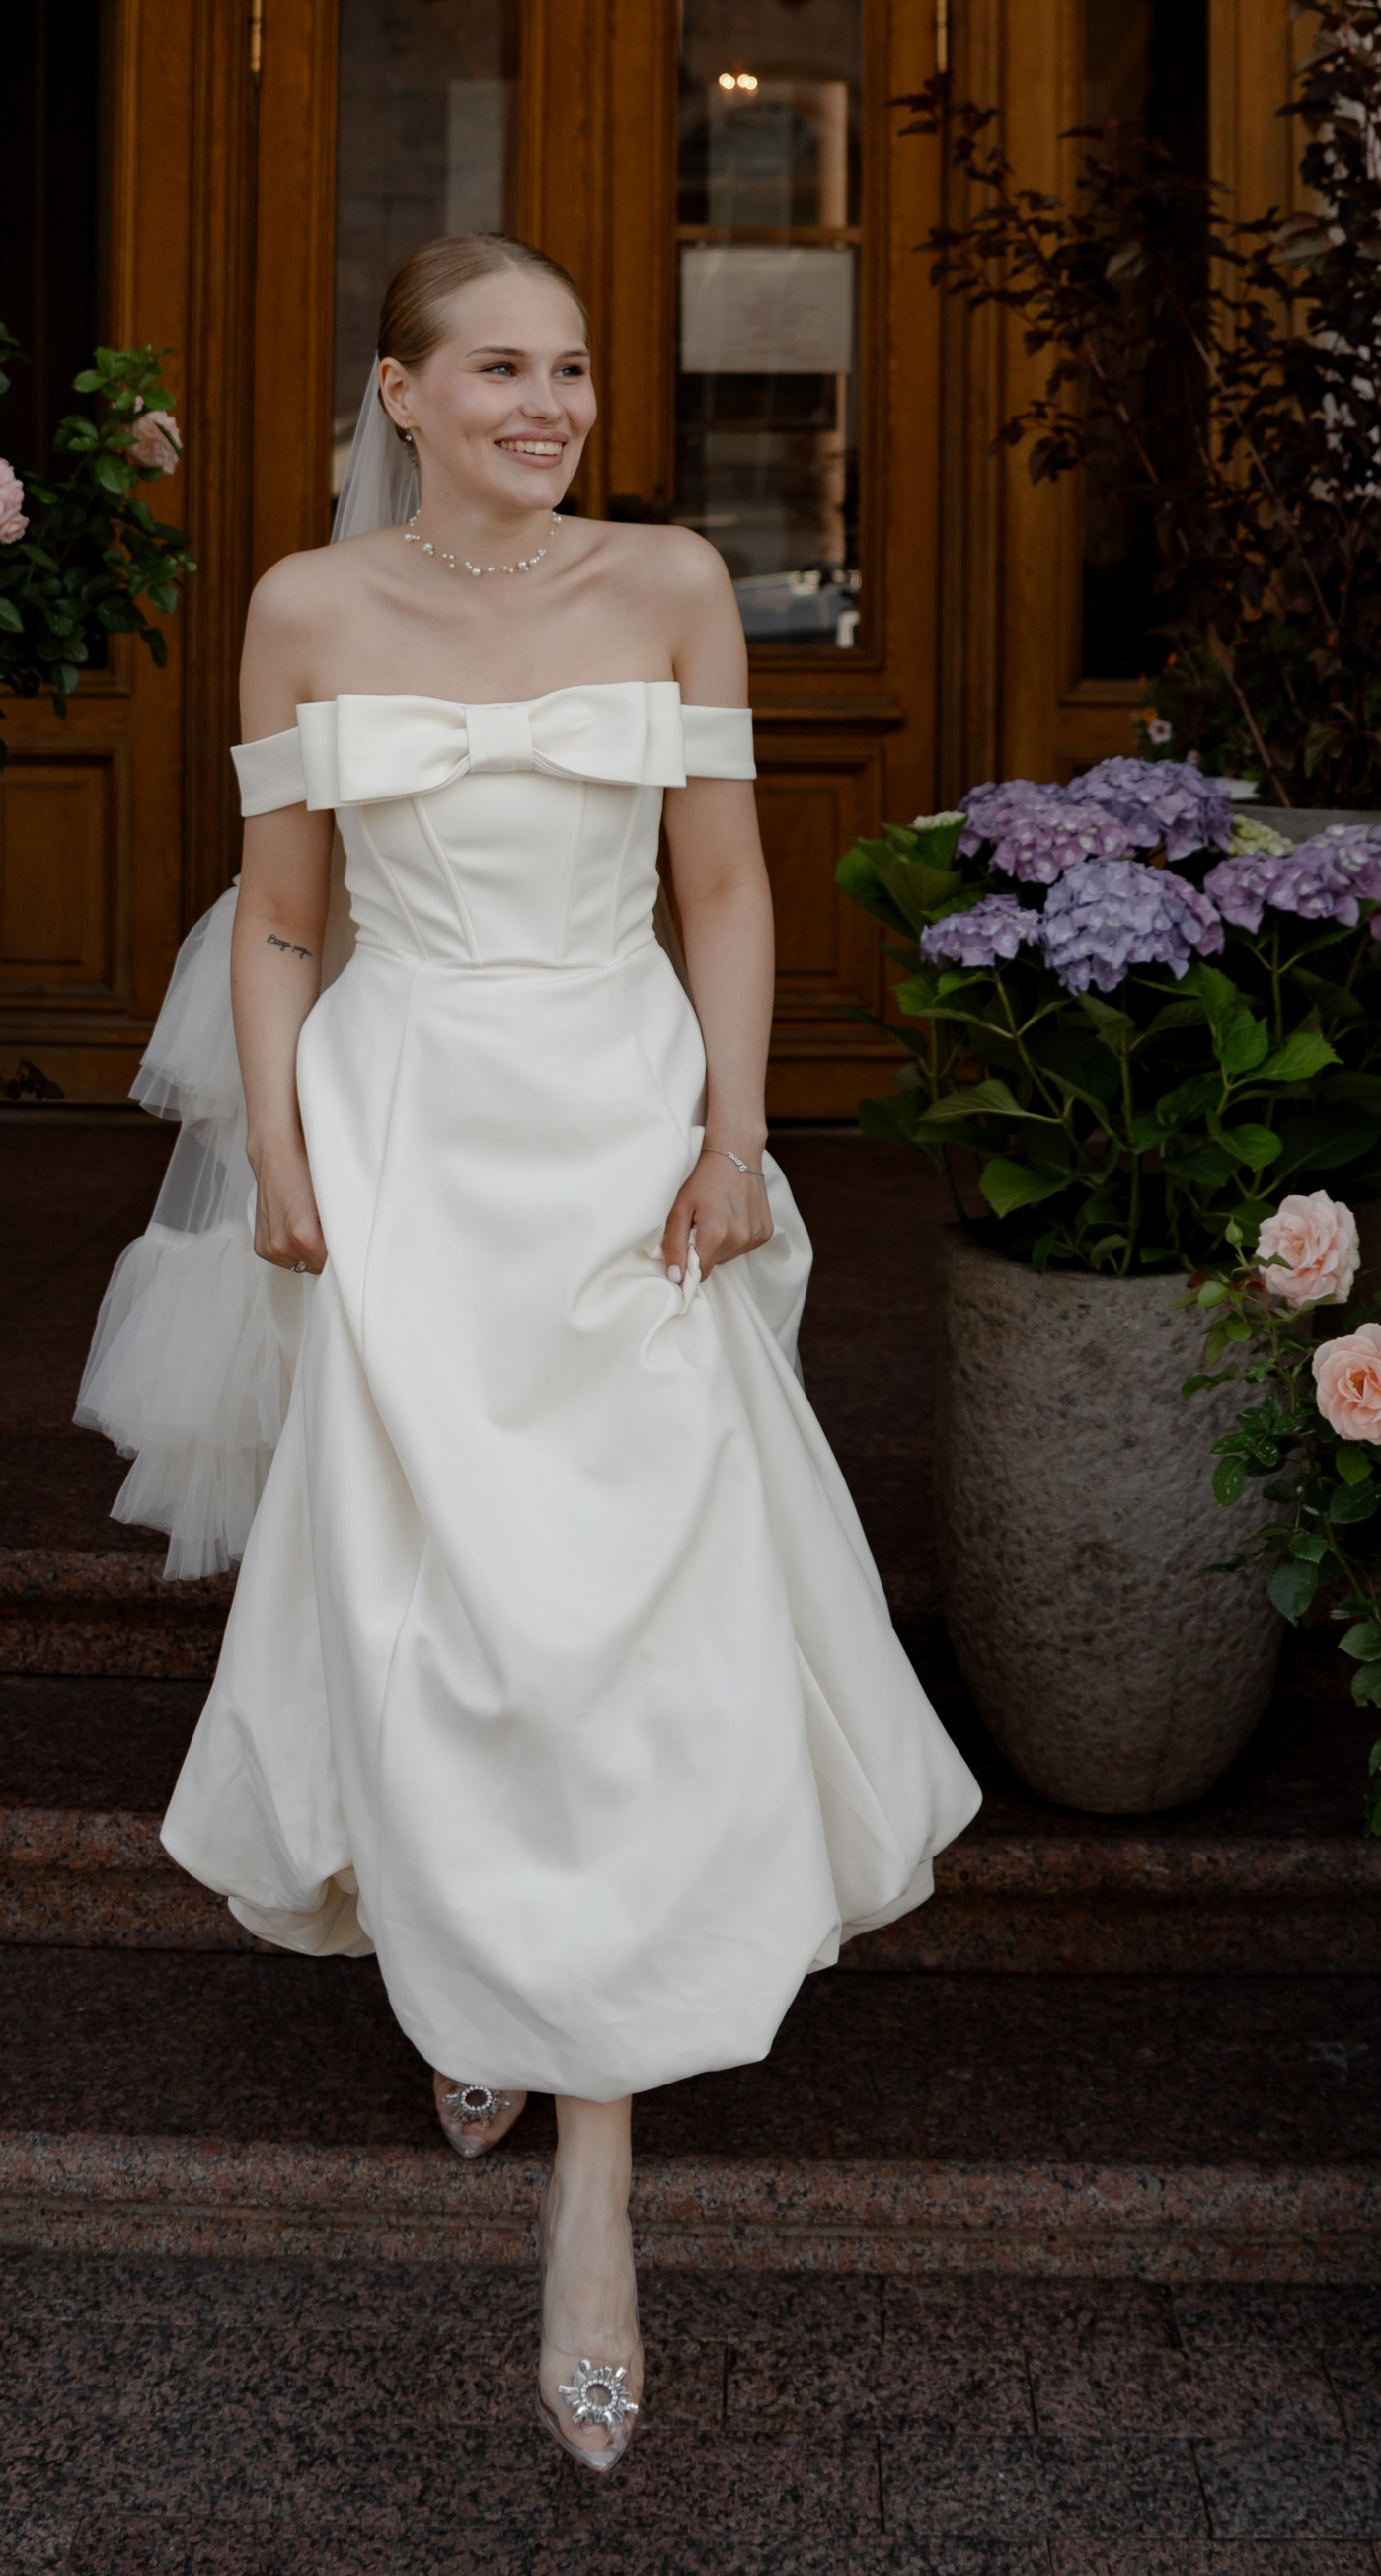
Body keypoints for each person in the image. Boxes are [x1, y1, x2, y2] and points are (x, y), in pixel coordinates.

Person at [79, 231, 976, 2471]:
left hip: (615, 1130)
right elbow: (286, 917)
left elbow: (728, 892)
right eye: (498, 367)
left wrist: (737, 1132)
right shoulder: (302, 605)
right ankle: (462, 1946)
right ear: (401, 392)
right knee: (433, 1602)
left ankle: (595, 2170)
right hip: (398, 1141)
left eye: (570, 367)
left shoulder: (670, 579)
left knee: (617, 1620)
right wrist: (278, 1149)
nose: (545, 401)